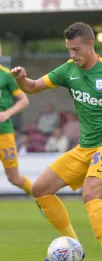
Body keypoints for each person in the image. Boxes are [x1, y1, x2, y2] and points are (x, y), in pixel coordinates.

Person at [11, 22, 102, 261]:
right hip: (85, 147)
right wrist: (21, 79)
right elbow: (33, 88)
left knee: (90, 194)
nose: (72, 55)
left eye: (76, 49)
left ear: (90, 44)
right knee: (40, 190)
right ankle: (74, 244)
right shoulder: (68, 70)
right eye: (69, 50)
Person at [0, 45, 36, 200]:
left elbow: (24, 101)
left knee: (14, 179)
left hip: (4, 133)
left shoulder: (7, 76)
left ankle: (39, 197)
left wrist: (6, 113)